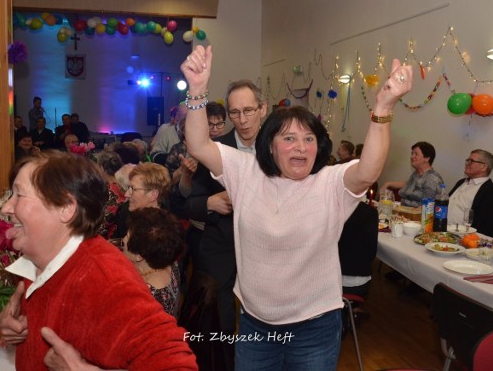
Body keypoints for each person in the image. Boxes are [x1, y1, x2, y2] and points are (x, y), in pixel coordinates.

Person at [181, 45, 412, 370]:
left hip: (315, 326)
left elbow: (369, 169)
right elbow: (199, 144)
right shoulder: (245, 172)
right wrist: (197, 90)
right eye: (289, 139)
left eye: (308, 139)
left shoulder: (330, 182)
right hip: (255, 325)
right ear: (270, 145)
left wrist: (384, 106)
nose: (300, 146)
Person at [0, 151, 197, 370]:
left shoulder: (106, 281)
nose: (6, 208)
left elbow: (177, 364)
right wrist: (24, 328)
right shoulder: (43, 258)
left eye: (19, 195)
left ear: (65, 207)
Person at [180, 78, 267, 371]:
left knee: (266, 318)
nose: (242, 120)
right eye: (234, 113)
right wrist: (209, 203)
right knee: (219, 317)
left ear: (263, 109)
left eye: (248, 111)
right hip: (220, 246)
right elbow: (187, 204)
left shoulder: (279, 146)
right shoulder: (214, 149)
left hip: (266, 249)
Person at [123, 207, 185, 318]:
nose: (123, 240)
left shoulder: (146, 298)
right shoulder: (169, 262)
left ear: (139, 255)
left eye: (127, 237)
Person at [447, 149, 493, 237]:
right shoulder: (460, 182)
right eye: (467, 160)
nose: (467, 163)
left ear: (484, 167)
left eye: (471, 161)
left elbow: (490, 230)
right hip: (442, 234)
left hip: (464, 241)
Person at [113, 163, 171, 239]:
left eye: (133, 189)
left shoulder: (166, 232)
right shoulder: (125, 211)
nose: (126, 194)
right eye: (128, 188)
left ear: (153, 195)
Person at [382, 141, 444, 207]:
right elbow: (408, 184)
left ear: (427, 158)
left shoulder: (432, 178)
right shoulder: (416, 173)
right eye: (412, 153)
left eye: (416, 154)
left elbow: (427, 206)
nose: (412, 157)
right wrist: (388, 184)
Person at [95, 150, 126, 239]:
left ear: (101, 168)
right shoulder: (125, 185)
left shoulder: (109, 191)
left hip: (112, 240)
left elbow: (103, 225)